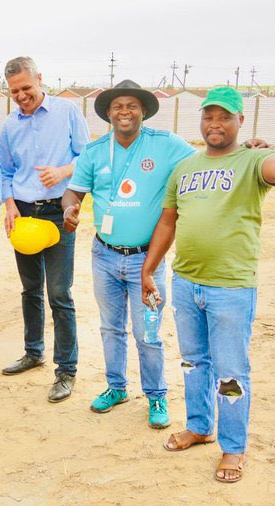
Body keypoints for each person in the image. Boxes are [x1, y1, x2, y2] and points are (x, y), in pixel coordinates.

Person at [141, 87, 275, 483]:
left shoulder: (252, 159)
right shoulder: (184, 169)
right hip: (187, 283)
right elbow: (168, 222)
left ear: (240, 121)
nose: (215, 124)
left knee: (230, 372)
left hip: (231, 288)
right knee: (193, 363)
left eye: (225, 117)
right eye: (209, 117)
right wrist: (148, 269)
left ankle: (233, 448)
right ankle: (199, 426)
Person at [62, 80, 196, 426]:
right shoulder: (94, 152)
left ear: (143, 112)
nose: (124, 112)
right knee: (111, 328)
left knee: (147, 331)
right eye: (118, 106)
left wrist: (244, 151)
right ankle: (116, 387)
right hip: (104, 255)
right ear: (108, 113)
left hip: (145, 261)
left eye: (131, 106)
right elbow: (73, 192)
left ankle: (156, 397)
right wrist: (70, 209)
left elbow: (203, 165)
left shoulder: (165, 145)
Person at [0, 56, 90, 402]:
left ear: (40, 78)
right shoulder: (9, 124)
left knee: (60, 294)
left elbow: (88, 158)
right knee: (30, 288)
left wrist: (63, 171)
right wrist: (9, 206)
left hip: (58, 212)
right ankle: (33, 352)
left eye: (26, 88)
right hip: (22, 213)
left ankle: (66, 370)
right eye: (14, 91)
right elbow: (5, 171)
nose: (21, 95)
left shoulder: (67, 113)